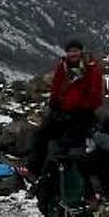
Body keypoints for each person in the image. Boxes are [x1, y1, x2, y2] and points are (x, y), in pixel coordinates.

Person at [27, 38, 104, 176]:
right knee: (41, 134)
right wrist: (54, 103)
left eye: (76, 51)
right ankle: (33, 169)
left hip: (82, 116)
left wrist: (79, 109)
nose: (73, 54)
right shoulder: (62, 67)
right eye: (70, 51)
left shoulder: (92, 70)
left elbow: (95, 98)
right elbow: (56, 87)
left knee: (65, 143)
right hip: (62, 112)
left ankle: (57, 177)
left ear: (81, 52)